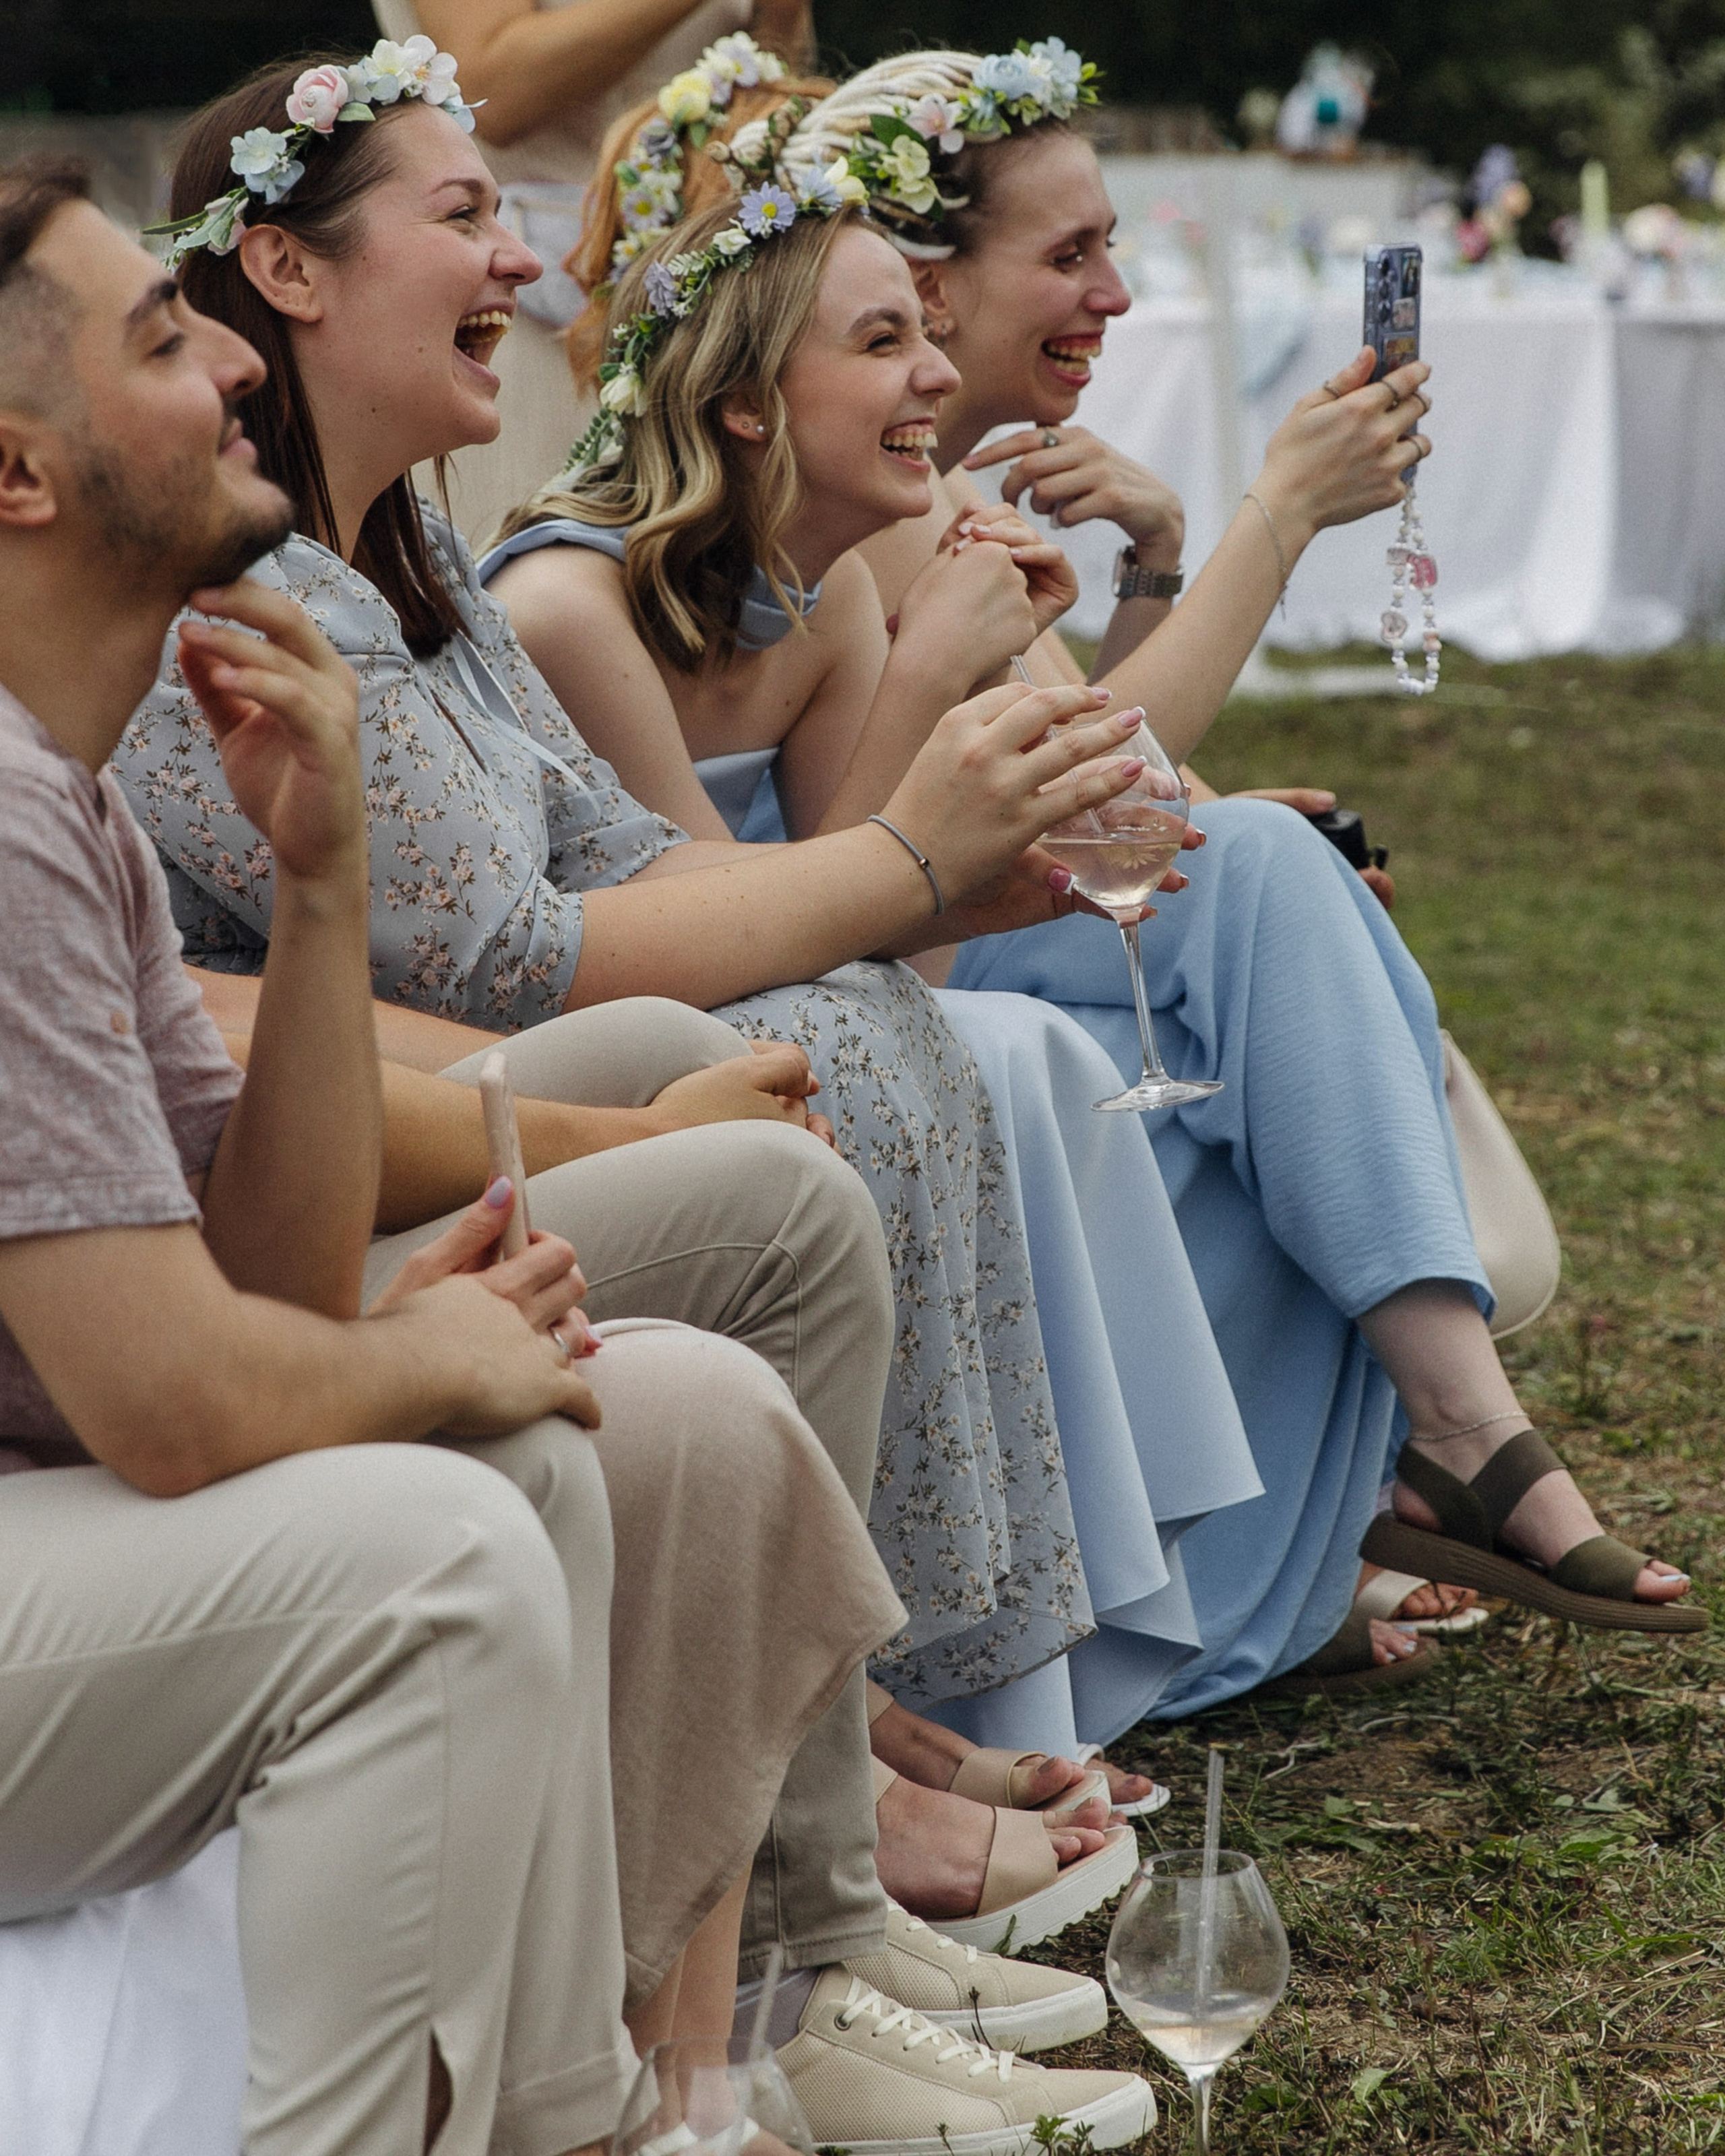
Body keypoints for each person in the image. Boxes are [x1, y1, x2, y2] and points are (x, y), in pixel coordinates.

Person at [115, 51, 1168, 1948]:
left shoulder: (407, 542)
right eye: (463, 217)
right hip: (306, 1157)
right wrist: (907, 860)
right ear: (284, 270)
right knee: (839, 1036)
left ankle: (872, 1699)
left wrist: (908, 875)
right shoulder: (232, 584)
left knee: (875, 1017)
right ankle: (826, 1799)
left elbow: (608, 847)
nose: (521, 265)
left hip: (414, 1083)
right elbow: (509, 954)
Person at [526, 40, 1699, 1728]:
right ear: (918, 285)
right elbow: (935, 843)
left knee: (1267, 875)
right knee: (1250, 895)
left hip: (894, 944)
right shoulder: (826, 530)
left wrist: (1153, 582)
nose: (1114, 293)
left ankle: (1397, 1473)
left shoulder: (911, 507)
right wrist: (1265, 524)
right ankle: (1419, 1464)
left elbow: (1087, 783)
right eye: (1067, 256)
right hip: (799, 990)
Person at [0, 152, 910, 2156]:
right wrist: (426, 1347)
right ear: (22, 475)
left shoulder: (58, 793)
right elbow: (170, 1399)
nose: (229, 364)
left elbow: (256, 1281)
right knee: (434, 1548)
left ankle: (585, 2104)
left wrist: (322, 883)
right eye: (164, 339)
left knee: (572, 1428)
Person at [367, 0, 815, 538]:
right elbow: (497, 87)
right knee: (518, 556)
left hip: (703, 300)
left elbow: (769, 90)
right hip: (522, 310)